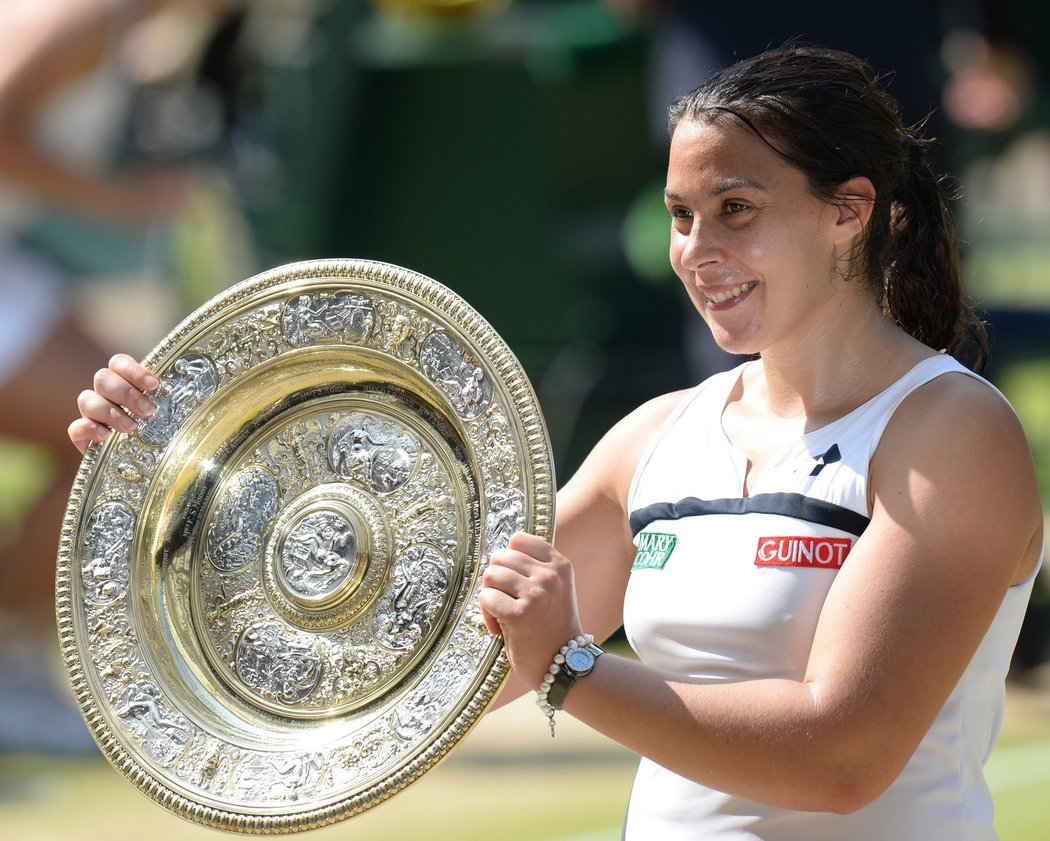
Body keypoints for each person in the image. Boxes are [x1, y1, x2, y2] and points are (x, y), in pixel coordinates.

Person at [69, 46, 1044, 839]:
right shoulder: (655, 440)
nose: (697, 251)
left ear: (849, 212)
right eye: (679, 216)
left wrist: (573, 667)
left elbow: (842, 758)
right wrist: (187, 465)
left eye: (736, 210)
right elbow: (406, 653)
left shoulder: (951, 434)